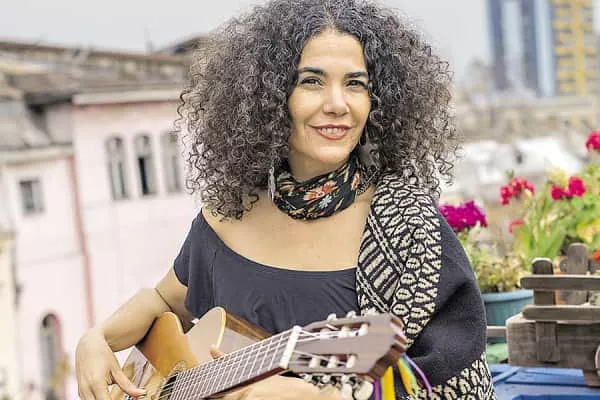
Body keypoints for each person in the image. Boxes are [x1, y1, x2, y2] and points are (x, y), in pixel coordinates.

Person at [75, 0, 496, 399]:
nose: (337, 104)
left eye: (355, 84)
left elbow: (451, 380)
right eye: (311, 81)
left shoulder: (408, 227)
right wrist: (97, 340)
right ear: (272, 96)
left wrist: (326, 396)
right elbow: (164, 301)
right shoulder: (228, 214)